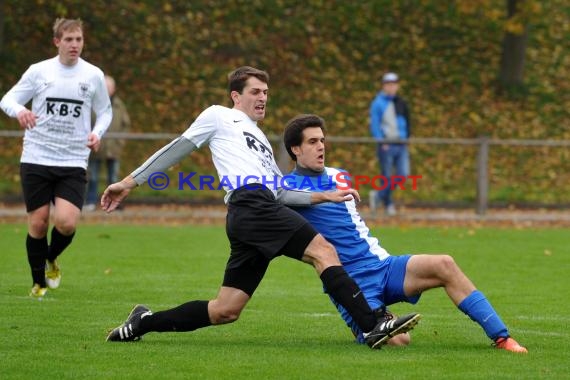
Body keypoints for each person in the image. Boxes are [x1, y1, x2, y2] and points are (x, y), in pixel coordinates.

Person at [102, 66, 420, 349]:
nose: (262, 97)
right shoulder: (218, 115)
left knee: (225, 309)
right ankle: (372, 325)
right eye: (255, 91)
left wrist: (323, 197)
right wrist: (130, 182)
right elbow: (178, 148)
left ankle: (141, 322)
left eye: (266, 92)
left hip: (254, 213)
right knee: (324, 251)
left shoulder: (261, 140)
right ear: (235, 96)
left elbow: (281, 193)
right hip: (250, 205)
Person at [283, 113, 528, 353]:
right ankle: (370, 321)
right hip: (350, 285)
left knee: (444, 263)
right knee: (400, 341)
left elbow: (352, 225)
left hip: (383, 266)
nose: (321, 147)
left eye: (322, 140)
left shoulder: (339, 175)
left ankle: (502, 338)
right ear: (296, 149)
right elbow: (274, 209)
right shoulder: (285, 189)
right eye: (312, 142)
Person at [0, 18, 112, 299]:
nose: (75, 45)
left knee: (66, 222)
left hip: (73, 160)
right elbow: (8, 100)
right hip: (37, 157)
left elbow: (105, 111)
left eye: (79, 40)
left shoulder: (93, 75)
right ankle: (38, 284)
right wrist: (20, 112)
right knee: (38, 223)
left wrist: (97, 133)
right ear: (57, 42)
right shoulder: (39, 72)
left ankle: (51, 259)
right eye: (69, 40)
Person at [85, 75, 131, 211]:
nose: (107, 89)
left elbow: (126, 125)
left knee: (114, 177)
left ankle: (114, 203)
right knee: (93, 176)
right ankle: (91, 202)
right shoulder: (91, 104)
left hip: (114, 149)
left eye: (109, 87)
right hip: (96, 147)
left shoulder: (119, 105)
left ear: (114, 89)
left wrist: (120, 141)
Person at [369, 72, 411, 216]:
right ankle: (388, 204)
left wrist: (407, 137)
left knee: (403, 174)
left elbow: (406, 121)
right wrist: (381, 140)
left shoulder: (400, 101)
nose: (392, 87)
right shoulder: (378, 103)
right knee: (386, 176)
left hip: (401, 143)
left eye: (394, 84)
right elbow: (375, 124)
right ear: (384, 86)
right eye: (389, 84)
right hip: (387, 144)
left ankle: (378, 196)